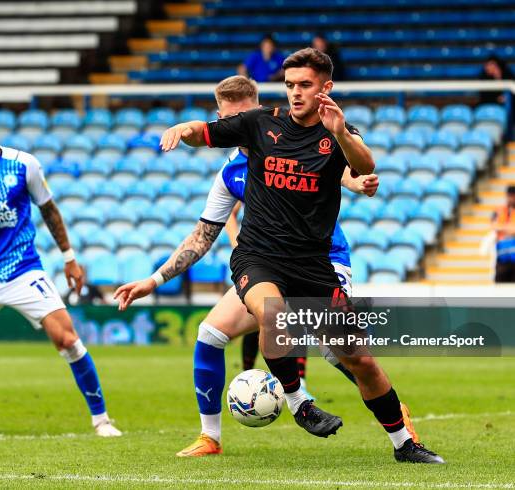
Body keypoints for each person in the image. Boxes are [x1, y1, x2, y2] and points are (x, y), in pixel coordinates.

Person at [150, 48, 444, 463]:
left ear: (326, 87)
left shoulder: (336, 132)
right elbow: (208, 132)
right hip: (258, 257)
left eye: (304, 85)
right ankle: (298, 401)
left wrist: (340, 131)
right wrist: (185, 129)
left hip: (314, 264)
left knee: (360, 360)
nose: (295, 93)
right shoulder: (260, 123)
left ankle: (404, 444)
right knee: (271, 312)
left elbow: (364, 165)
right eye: (289, 85)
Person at [0, 98, 121, 437]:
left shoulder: (22, 164)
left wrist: (69, 258)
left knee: (68, 339)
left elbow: (49, 210)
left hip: (24, 271)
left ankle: (101, 420)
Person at [492, 185, 515, 282]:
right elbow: (493, 226)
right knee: (500, 289)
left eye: (513, 196)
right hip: (502, 256)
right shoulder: (499, 210)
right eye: (509, 196)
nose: (511, 198)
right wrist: (509, 229)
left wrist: (502, 228)